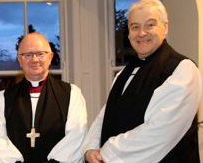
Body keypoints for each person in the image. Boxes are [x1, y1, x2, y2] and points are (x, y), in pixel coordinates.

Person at [84, 0, 202, 162]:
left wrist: (107, 152)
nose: (141, 33)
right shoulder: (123, 74)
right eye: (135, 27)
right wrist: (90, 148)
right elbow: (104, 117)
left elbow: (160, 132)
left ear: (165, 28)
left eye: (150, 25)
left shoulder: (182, 69)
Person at [0, 33, 88, 163]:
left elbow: (76, 137)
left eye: (40, 54)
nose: (34, 60)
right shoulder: (4, 98)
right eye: (27, 55)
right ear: (19, 59)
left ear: (50, 57)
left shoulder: (71, 94)